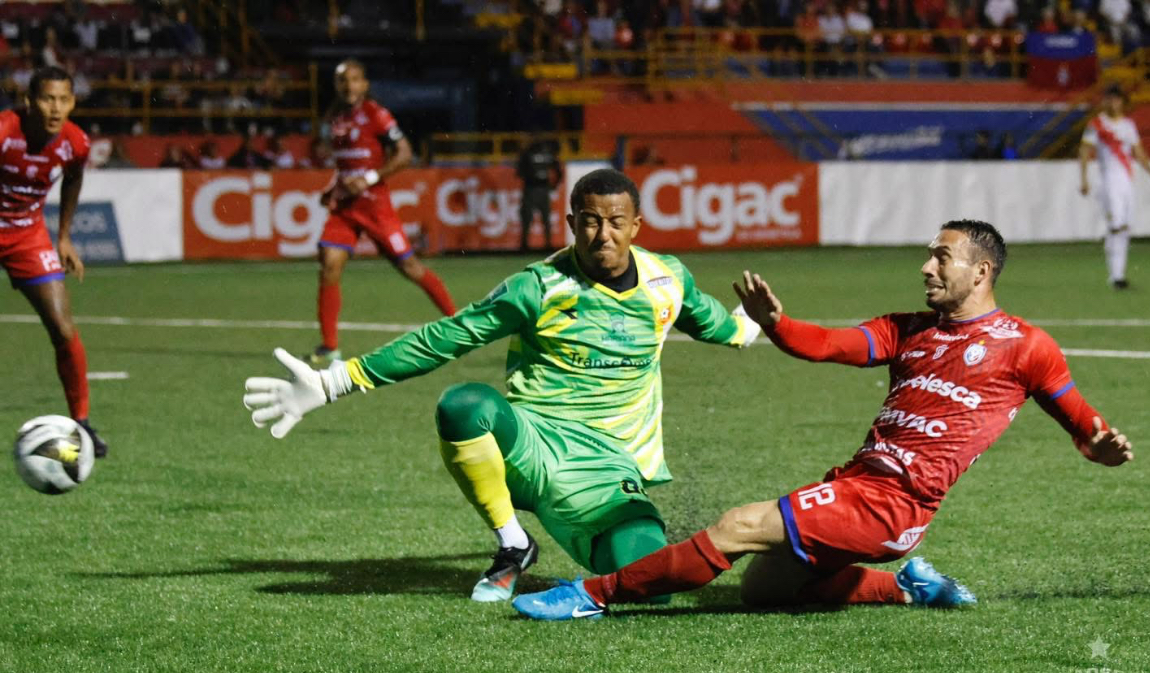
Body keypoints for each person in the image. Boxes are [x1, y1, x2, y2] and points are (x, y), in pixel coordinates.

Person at [513, 219, 1135, 620]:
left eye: (941, 258)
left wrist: (1099, 446)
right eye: (927, 256)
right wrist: (776, 322)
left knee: (738, 525)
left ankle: (590, 596)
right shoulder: (907, 329)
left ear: (981, 271)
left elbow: (1085, 426)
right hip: (856, 484)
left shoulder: (1026, 347)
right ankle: (906, 587)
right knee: (764, 592)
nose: (926, 267)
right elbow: (827, 345)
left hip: (896, 503)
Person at [243, 168, 762, 602]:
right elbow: (444, 338)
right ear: (571, 224)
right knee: (464, 405)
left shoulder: (667, 281)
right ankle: (513, 544)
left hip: (608, 470)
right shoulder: (538, 287)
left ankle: (595, 546)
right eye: (590, 221)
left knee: (652, 586)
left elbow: (725, 328)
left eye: (615, 222)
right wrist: (334, 382)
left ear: (636, 226)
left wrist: (758, 320)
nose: (603, 234)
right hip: (530, 447)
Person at [307, 59, 456, 365]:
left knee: (410, 267)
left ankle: (460, 324)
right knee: (329, 264)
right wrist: (333, 187)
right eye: (343, 80)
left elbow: (405, 153)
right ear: (336, 85)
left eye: (355, 79)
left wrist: (370, 178)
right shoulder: (335, 119)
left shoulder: (376, 114)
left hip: (375, 205)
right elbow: (346, 164)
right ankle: (330, 346)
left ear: (364, 84)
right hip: (345, 207)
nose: (349, 86)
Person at [0, 66, 109, 457]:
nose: (56, 108)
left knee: (63, 329)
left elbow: (74, 178)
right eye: (48, 99)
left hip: (26, 236)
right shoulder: (4, 131)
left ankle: (81, 423)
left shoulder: (75, 142)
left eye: (64, 100)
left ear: (73, 102)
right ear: (29, 101)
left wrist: (63, 236)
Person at [1079, 84, 1148, 290]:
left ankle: (1119, 274)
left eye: (1116, 99)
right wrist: (1084, 179)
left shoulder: (1128, 125)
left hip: (1127, 182)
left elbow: (1138, 153)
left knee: (1125, 227)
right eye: (1109, 98)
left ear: (1122, 101)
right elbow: (1084, 150)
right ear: (1104, 101)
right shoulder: (1097, 124)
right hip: (1108, 182)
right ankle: (1115, 275)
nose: (1113, 102)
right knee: (1116, 225)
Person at [515, 138, 561, 252]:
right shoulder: (548, 154)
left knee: (527, 217)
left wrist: (530, 177)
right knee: (545, 218)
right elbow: (559, 171)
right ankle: (548, 244)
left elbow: (519, 172)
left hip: (531, 189)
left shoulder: (527, 154)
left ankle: (524, 245)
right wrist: (554, 185)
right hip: (543, 189)